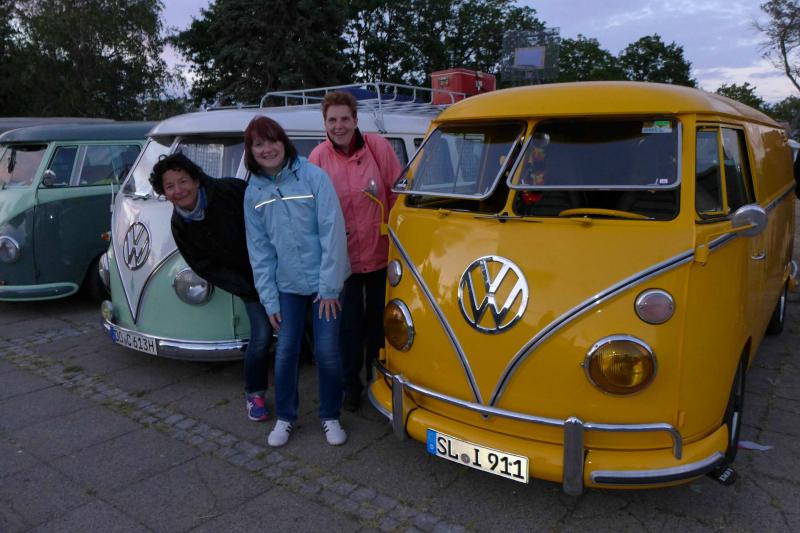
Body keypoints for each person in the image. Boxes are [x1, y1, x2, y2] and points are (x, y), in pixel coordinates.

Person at [243, 116, 350, 447]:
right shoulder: (253, 192)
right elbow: (259, 251)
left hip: (325, 283)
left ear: (284, 142)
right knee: (286, 351)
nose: (267, 149)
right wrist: (269, 300)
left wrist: (330, 287)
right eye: (258, 144)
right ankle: (286, 417)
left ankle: (330, 415)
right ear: (251, 151)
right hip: (287, 286)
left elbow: (332, 232)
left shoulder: (313, 177)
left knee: (327, 351)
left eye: (272, 140)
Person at [149, 153, 272, 422]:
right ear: (164, 193)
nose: (179, 190)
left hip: (278, 268)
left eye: (183, 181)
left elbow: (268, 217)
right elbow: (204, 266)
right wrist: (248, 289)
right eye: (170, 186)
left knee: (304, 327)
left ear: (196, 179)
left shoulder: (229, 190)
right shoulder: (179, 224)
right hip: (249, 283)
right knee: (261, 335)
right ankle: (254, 393)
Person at [309, 91, 403, 411]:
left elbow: (396, 192)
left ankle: (378, 379)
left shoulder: (378, 147)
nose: (339, 126)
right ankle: (351, 386)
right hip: (342, 259)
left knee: (379, 323)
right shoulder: (318, 158)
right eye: (332, 120)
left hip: (380, 252)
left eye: (345, 118)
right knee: (348, 328)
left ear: (355, 119)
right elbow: (312, 208)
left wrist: (396, 235)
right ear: (325, 123)